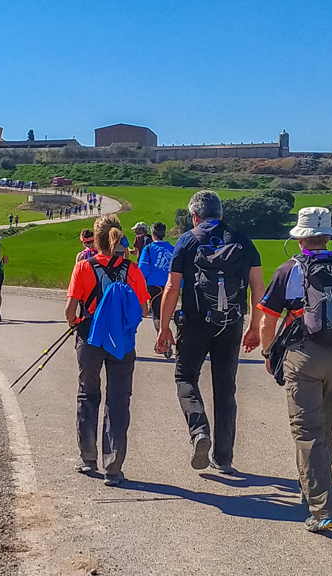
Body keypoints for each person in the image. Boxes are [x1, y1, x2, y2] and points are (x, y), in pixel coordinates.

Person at [256, 207, 332, 532]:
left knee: (307, 431)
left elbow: (268, 318)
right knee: (327, 426)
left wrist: (269, 352)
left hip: (305, 356)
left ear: (300, 238)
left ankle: (322, 508)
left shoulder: (289, 270)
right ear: (328, 237)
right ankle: (315, 488)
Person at [154, 190, 265, 473]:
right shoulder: (242, 240)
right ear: (221, 213)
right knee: (225, 387)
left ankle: (199, 430)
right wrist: (254, 326)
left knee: (185, 376)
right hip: (231, 324)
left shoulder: (188, 241)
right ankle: (224, 457)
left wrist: (164, 327)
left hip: (194, 323)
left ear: (194, 216)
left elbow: (172, 287)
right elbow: (257, 288)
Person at [65, 214, 151, 487]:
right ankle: (114, 466)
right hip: (122, 343)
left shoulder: (83, 267)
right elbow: (144, 308)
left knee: (87, 394)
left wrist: (77, 322)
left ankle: (88, 458)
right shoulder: (132, 269)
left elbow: (69, 310)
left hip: (89, 338)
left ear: (96, 238)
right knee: (118, 400)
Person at [137, 222, 175, 332]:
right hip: (171, 285)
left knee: (157, 315)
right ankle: (165, 340)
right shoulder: (173, 249)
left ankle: (162, 340)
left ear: (152, 233)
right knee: (167, 314)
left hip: (154, 287)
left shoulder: (148, 249)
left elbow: (142, 270)